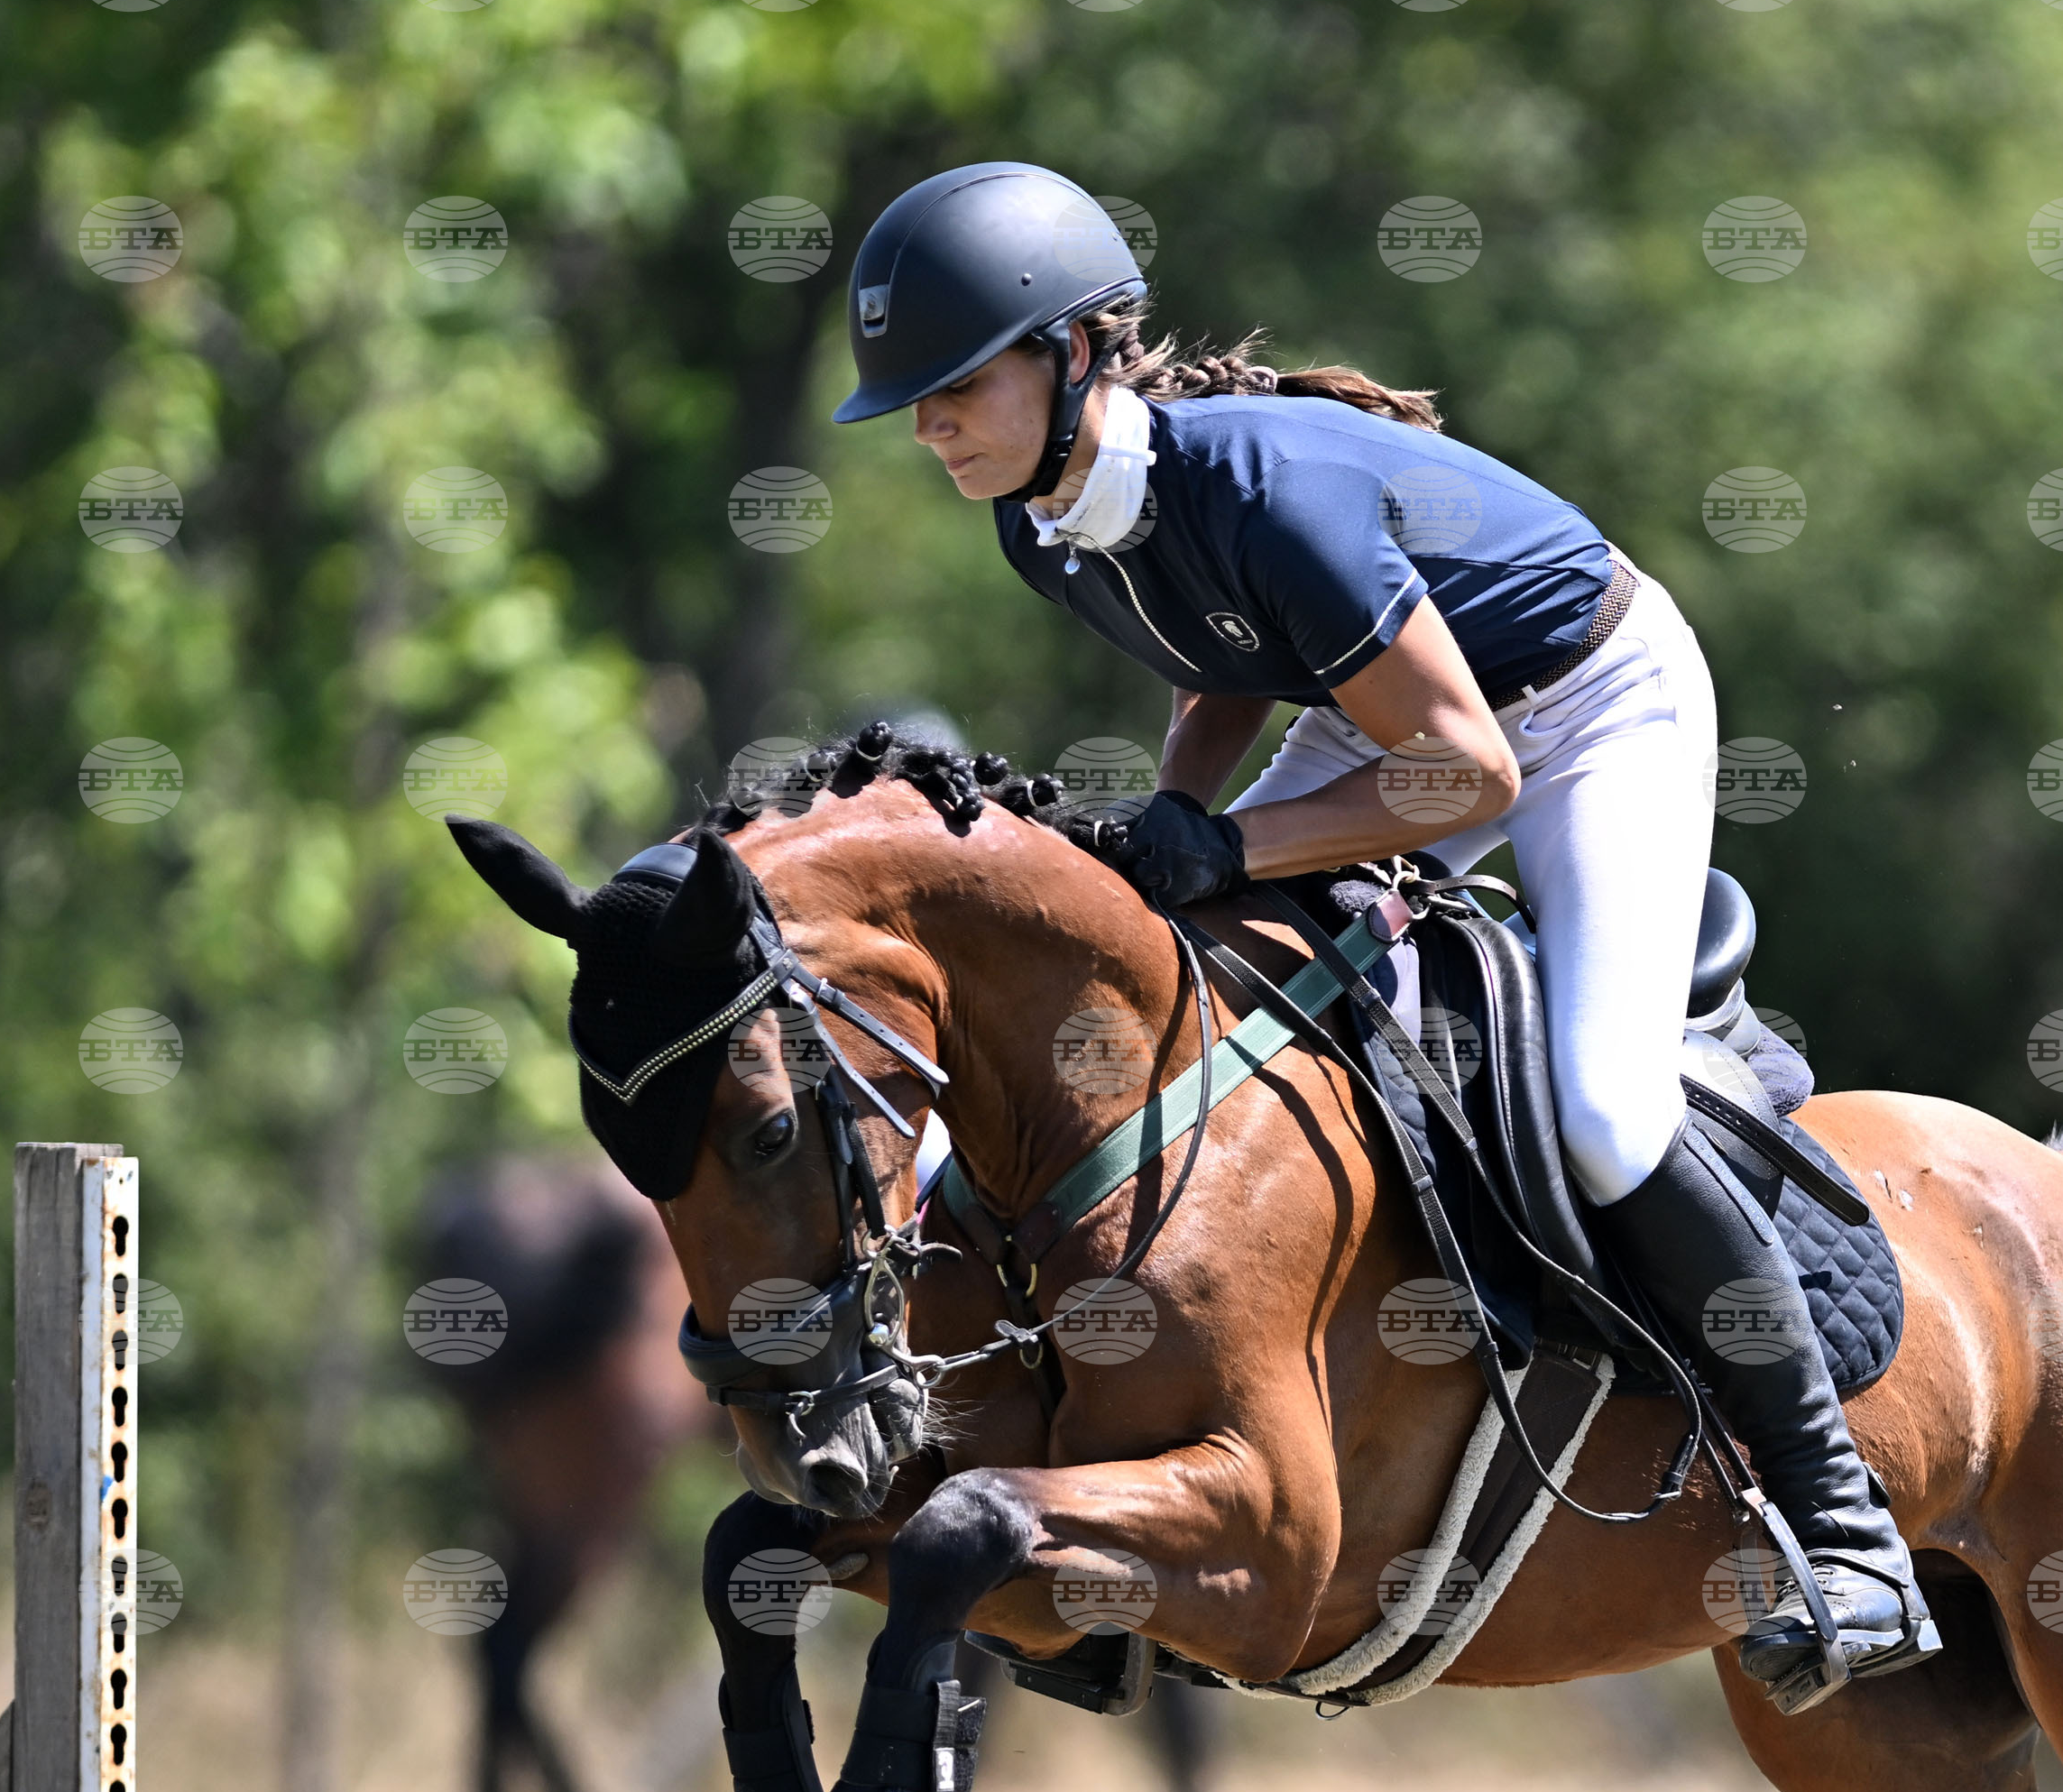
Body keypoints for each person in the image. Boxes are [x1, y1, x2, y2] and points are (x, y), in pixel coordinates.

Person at [829, 161, 1934, 1714]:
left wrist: (1224, 840)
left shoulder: (1260, 482)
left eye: (955, 386)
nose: (931, 424)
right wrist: (1173, 827)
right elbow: (1223, 647)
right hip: (1403, 720)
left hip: (1586, 710)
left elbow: (1470, 774)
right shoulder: (1044, 517)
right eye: (914, 401)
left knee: (1608, 1109)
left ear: (1074, 353)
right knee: (1200, 968)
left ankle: (1844, 1521)